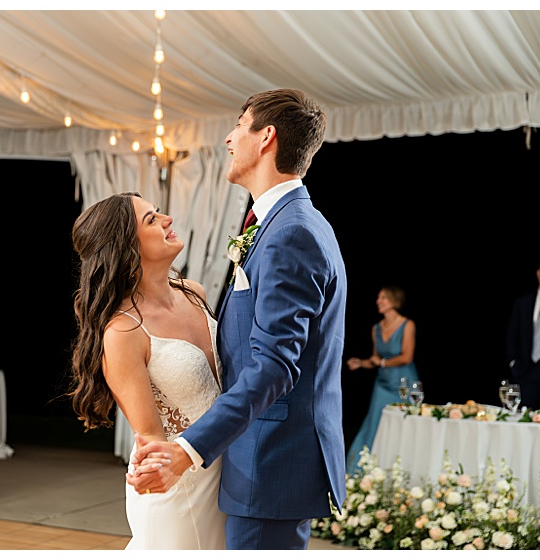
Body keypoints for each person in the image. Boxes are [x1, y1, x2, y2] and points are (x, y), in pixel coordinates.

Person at [128, 89, 347, 550]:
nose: (228, 139)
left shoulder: (290, 233)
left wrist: (187, 450)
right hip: (252, 459)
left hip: (269, 464)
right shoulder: (281, 223)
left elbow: (272, 365)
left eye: (238, 125)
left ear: (265, 137)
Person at [67, 192, 226, 549]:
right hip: (179, 493)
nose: (168, 219)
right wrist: (154, 469)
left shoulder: (195, 294)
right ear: (126, 248)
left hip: (230, 479)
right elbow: (151, 436)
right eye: (152, 219)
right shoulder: (123, 332)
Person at [344, 286, 418, 470]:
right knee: (375, 424)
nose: (378, 301)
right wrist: (361, 363)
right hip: (382, 385)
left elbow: (406, 357)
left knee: (404, 425)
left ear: (393, 300)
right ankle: (362, 468)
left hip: (404, 384)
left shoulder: (407, 325)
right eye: (378, 297)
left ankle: (403, 467)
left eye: (383, 297)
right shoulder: (376, 328)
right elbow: (375, 359)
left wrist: (382, 363)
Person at [506, 258, 540, 410]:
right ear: (538, 273)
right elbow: (511, 335)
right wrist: (513, 363)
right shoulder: (523, 303)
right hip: (527, 369)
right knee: (524, 417)